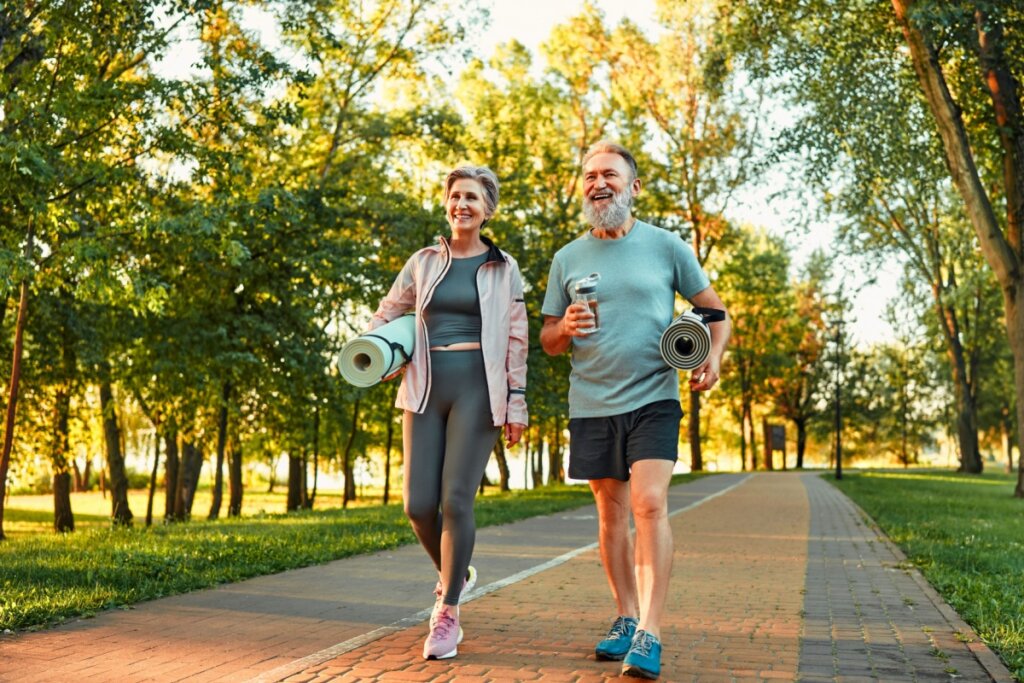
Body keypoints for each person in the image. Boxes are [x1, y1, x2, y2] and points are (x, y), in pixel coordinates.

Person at [540, 141, 730, 680]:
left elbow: (716, 313)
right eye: (589, 176)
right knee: (611, 515)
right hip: (592, 401)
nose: (598, 183)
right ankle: (624, 614)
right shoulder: (567, 258)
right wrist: (564, 330)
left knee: (648, 505)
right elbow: (548, 339)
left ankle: (650, 630)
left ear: (633, 186)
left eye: (610, 175)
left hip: (654, 396)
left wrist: (712, 357)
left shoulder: (667, 246)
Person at [369, 166, 528, 660]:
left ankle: (448, 612)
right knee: (418, 505)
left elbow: (518, 337)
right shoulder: (423, 262)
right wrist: (378, 349)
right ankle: (456, 571)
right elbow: (387, 311)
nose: (463, 204)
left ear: (487, 209)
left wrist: (517, 402)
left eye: (473, 198)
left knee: (456, 500)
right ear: (447, 204)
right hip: (424, 387)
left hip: (479, 389)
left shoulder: (504, 267)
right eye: (456, 196)